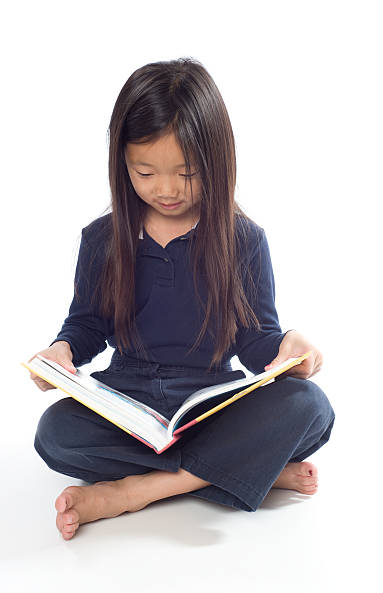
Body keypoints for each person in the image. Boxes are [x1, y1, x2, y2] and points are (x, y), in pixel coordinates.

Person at [29, 58, 335, 541]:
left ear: (216, 161)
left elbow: (257, 341)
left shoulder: (243, 241)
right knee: (55, 434)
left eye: (187, 172)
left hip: (210, 401)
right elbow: (85, 325)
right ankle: (244, 469)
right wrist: (60, 355)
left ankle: (136, 491)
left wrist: (287, 348)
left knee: (310, 408)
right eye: (144, 171)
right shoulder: (103, 239)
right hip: (130, 398)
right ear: (122, 164)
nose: (166, 189)